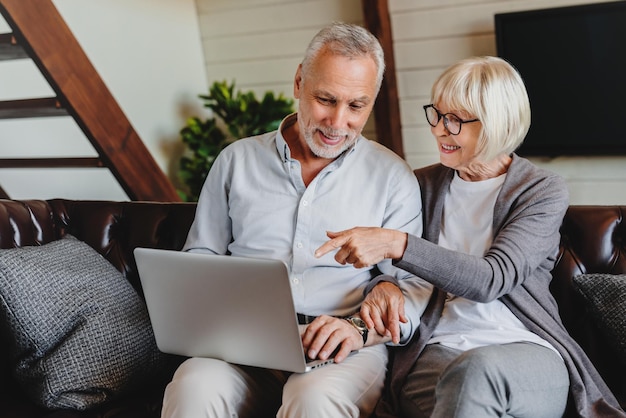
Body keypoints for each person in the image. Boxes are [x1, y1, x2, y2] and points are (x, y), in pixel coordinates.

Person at [315, 56, 626, 417]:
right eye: (437, 114)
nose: (438, 130)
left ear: (497, 124)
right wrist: (384, 285)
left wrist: (396, 243)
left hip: (527, 351)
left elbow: (491, 278)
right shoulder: (419, 184)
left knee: (477, 372)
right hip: (436, 350)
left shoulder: (540, 190)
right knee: (466, 385)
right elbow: (388, 273)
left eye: (455, 121)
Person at [161, 22, 433, 418]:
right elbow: (200, 256)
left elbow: (409, 292)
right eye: (326, 99)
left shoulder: (394, 178)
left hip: (343, 347)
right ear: (299, 82)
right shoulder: (236, 161)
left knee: (314, 401)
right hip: (243, 342)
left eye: (356, 106)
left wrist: (358, 328)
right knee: (193, 386)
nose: (338, 123)